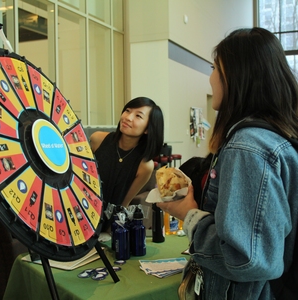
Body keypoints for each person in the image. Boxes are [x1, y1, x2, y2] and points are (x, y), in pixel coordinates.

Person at [157, 27, 298, 299]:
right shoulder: (278, 138)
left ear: (235, 75)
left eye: (214, 68)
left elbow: (245, 257)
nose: (210, 79)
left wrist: (189, 214)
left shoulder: (247, 148)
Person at [90, 97, 164, 228]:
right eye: (127, 110)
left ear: (148, 129)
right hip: (81, 211)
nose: (128, 117)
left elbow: (124, 204)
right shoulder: (97, 140)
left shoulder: (145, 165)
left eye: (138, 116)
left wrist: (111, 231)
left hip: (105, 224)